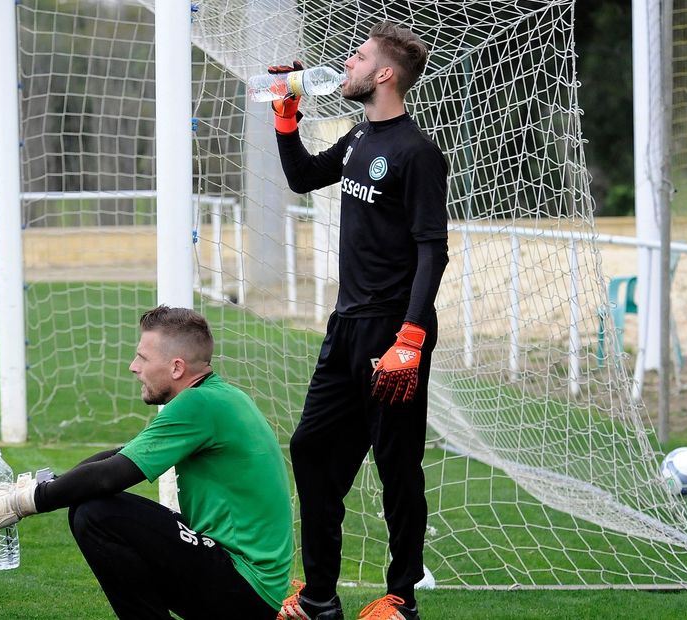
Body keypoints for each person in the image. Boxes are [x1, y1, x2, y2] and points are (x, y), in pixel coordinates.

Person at [269, 21, 449, 620]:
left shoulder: (417, 153)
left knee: (396, 465)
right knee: (311, 449)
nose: (349, 61)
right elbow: (300, 177)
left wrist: (411, 337)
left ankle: (401, 599)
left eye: (360, 55)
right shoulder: (354, 140)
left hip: (393, 333)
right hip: (345, 327)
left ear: (386, 74)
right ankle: (320, 597)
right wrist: (286, 116)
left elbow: (432, 249)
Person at [0, 305, 294, 620]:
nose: (134, 366)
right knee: (89, 506)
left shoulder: (200, 403)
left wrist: (23, 502)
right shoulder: (216, 396)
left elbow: (111, 476)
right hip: (243, 580)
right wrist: (40, 485)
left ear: (176, 367)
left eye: (142, 357)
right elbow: (116, 458)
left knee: (97, 514)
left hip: (245, 588)